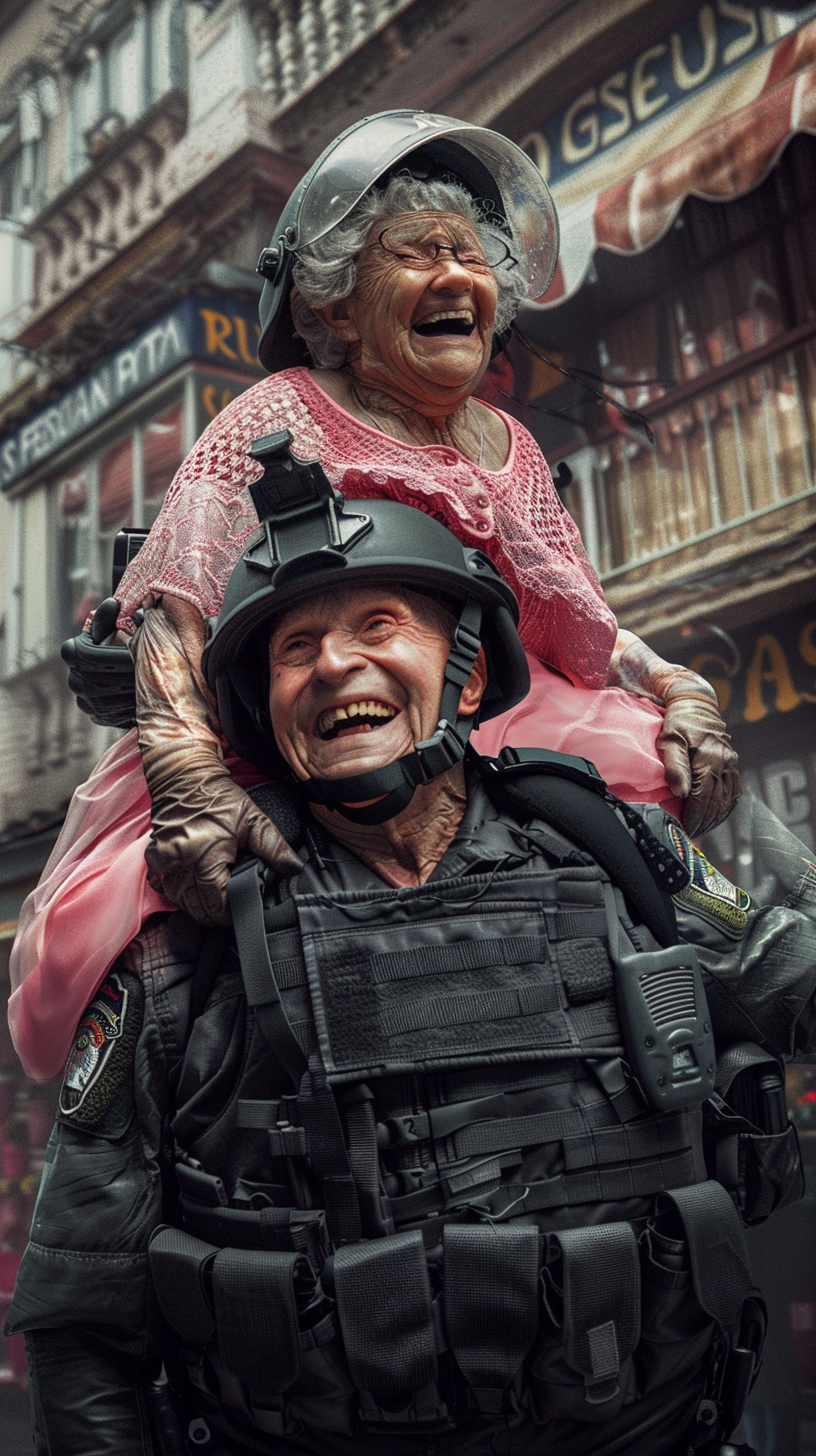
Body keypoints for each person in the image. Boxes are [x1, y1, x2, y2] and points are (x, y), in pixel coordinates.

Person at [8, 451, 814, 1456]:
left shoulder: (622, 850)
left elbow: (793, 979)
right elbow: (83, 1320)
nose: (334, 664)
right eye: (295, 647)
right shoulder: (183, 950)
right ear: (267, 711)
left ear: (468, 670)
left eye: (377, 627)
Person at [8, 110, 739, 1082]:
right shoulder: (274, 415)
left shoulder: (511, 445)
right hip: (298, 723)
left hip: (494, 707)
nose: (455, 276)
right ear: (339, 303)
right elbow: (172, 615)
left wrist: (680, 689)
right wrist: (191, 780)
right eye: (419, 253)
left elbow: (586, 628)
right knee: (134, 941)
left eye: (473, 256)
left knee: (672, 803)